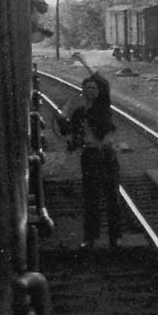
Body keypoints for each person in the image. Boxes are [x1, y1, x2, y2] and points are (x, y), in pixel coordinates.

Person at [61, 52, 121, 249]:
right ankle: (90, 237)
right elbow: (69, 133)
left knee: (112, 196)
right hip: (90, 155)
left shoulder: (103, 106)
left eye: (94, 88)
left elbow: (101, 80)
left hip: (107, 154)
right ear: (83, 91)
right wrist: (64, 117)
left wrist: (83, 62)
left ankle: (115, 237)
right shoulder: (78, 113)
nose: (92, 91)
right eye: (88, 88)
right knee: (90, 197)